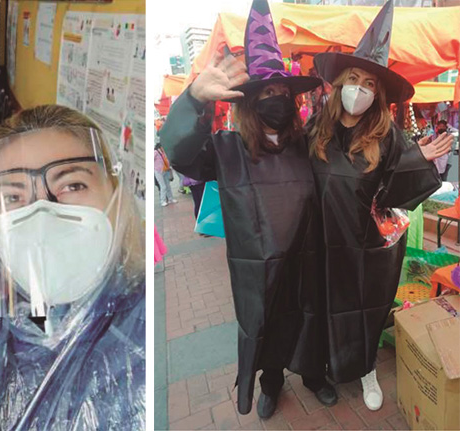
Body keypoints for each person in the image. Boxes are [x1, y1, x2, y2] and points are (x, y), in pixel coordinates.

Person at [160, 0, 336, 418]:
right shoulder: (227, 150)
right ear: (250, 102)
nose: (277, 99)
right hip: (259, 270)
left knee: (309, 318)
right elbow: (180, 154)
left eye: (282, 93)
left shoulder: (308, 145)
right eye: (267, 93)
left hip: (306, 263)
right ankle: (271, 383)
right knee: (267, 325)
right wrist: (194, 101)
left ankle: (313, 375)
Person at [0, 105, 145, 429]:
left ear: (116, 198)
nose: (42, 214)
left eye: (72, 185)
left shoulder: (144, 332)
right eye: (12, 196)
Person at [299, 1, 452, 412]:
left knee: (365, 309)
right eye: (353, 79)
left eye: (369, 83)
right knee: (323, 305)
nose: (360, 89)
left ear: (378, 93)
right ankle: (325, 365)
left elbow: (395, 195)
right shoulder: (317, 128)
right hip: (321, 241)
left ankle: (365, 367)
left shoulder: (388, 135)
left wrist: (418, 160)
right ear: (339, 84)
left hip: (367, 247)